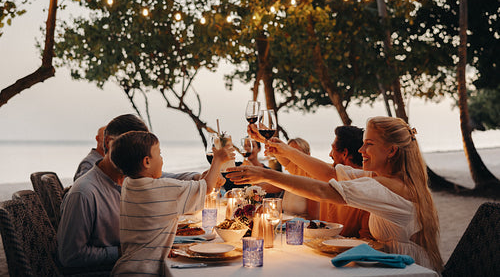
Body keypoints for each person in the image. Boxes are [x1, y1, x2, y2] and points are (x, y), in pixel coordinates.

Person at [230, 117, 443, 272]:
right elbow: (329, 173)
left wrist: (265, 174)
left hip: (409, 269)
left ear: (392, 151)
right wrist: (281, 148)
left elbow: (323, 190)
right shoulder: (379, 177)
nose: (361, 151)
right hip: (386, 263)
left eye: (369, 144)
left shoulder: (385, 187)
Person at [57, 114, 219, 268]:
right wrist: (126, 251)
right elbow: (71, 256)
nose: (136, 154)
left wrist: (200, 178)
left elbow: (169, 178)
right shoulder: (84, 193)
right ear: (108, 143)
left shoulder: (133, 179)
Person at [109, 131, 233, 276]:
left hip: (127, 267)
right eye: (159, 154)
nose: (162, 159)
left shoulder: (129, 184)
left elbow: (201, 185)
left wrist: (209, 175)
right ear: (147, 161)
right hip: (145, 271)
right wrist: (217, 160)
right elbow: (207, 187)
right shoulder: (160, 189)